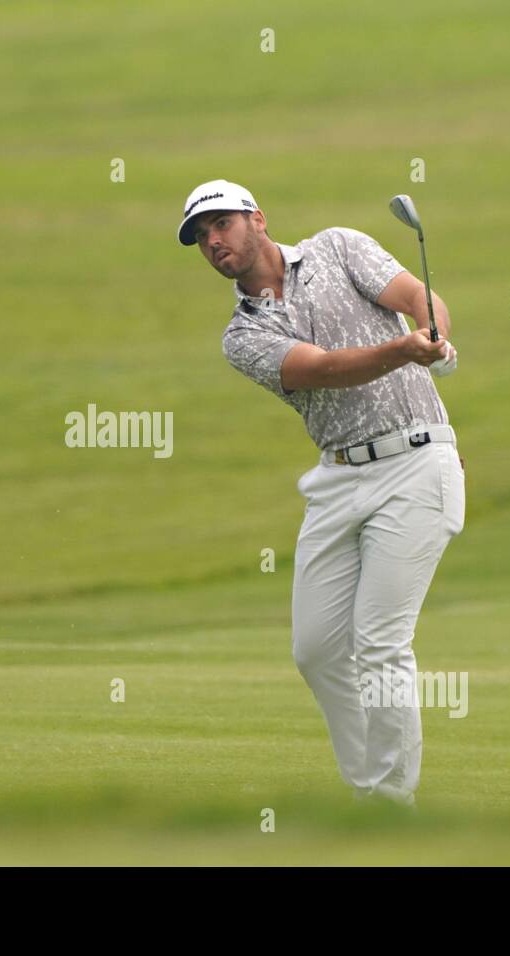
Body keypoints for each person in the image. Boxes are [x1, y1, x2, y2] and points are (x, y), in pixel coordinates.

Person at [179, 179, 463, 809]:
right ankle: (370, 788)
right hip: (338, 478)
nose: (214, 241)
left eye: (221, 223)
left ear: (257, 218)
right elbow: (321, 371)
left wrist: (431, 332)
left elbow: (421, 296)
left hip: (416, 463)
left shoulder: (339, 247)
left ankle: (387, 804)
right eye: (201, 237)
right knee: (314, 650)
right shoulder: (241, 336)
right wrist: (404, 349)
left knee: (380, 642)